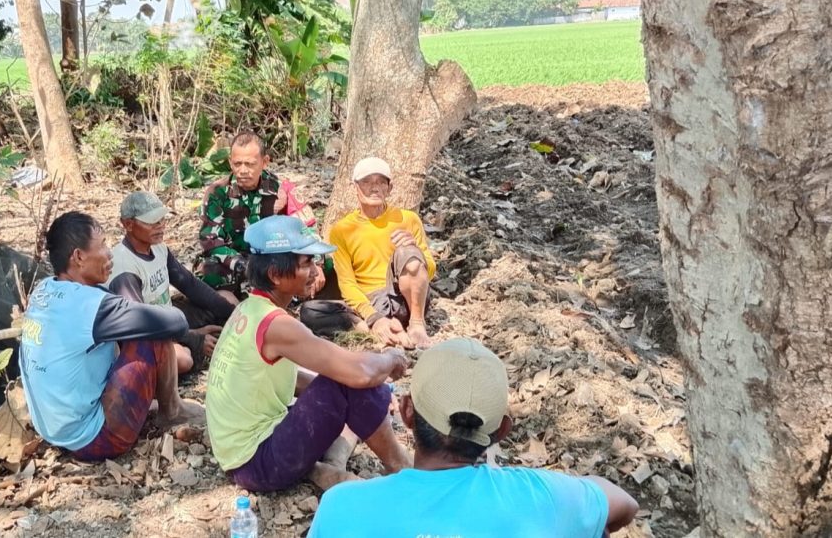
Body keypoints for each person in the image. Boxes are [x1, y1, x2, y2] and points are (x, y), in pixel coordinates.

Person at [309, 338, 639, 537]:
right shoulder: (541, 496)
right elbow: (625, 505)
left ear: (407, 412)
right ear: (501, 431)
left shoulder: (342, 506)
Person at [206, 214, 413, 493]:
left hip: (240, 457)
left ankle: (328, 465)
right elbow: (360, 373)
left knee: (347, 382)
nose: (316, 271)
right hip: (257, 464)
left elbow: (289, 380)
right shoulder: (277, 325)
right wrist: (391, 359)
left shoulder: (249, 309)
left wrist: (369, 389)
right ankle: (404, 468)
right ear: (275, 275)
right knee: (353, 379)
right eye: (306, 263)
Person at [18, 211, 205, 461]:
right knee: (152, 332)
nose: (110, 253)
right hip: (94, 440)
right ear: (79, 257)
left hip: (54, 431)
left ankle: (144, 405)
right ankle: (172, 411)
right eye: (103, 245)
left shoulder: (44, 289)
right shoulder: (90, 306)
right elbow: (175, 321)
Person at [107, 191, 238, 374]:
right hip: (145, 335)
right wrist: (194, 338)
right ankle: (189, 355)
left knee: (226, 298)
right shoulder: (124, 268)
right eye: (152, 222)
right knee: (182, 359)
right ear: (128, 224)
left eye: (162, 219)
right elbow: (140, 324)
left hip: (167, 318)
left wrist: (233, 313)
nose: (160, 226)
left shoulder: (158, 248)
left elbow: (189, 284)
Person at [197, 132, 327, 296]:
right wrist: (244, 265)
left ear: (265, 162)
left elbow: (307, 230)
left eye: (250, 164)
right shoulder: (217, 193)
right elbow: (211, 242)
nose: (243, 170)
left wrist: (316, 264)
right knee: (209, 271)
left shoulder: (282, 188)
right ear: (230, 162)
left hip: (272, 262)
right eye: (237, 164)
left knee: (325, 266)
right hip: (234, 262)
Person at [328, 157, 436, 349]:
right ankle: (383, 329)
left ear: (389, 188)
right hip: (373, 302)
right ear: (355, 187)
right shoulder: (341, 230)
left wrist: (415, 251)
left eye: (381, 182)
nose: (374, 188)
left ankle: (416, 325)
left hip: (407, 300)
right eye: (367, 182)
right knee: (311, 312)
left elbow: (430, 270)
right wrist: (373, 316)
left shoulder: (408, 219)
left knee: (408, 251)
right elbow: (347, 283)